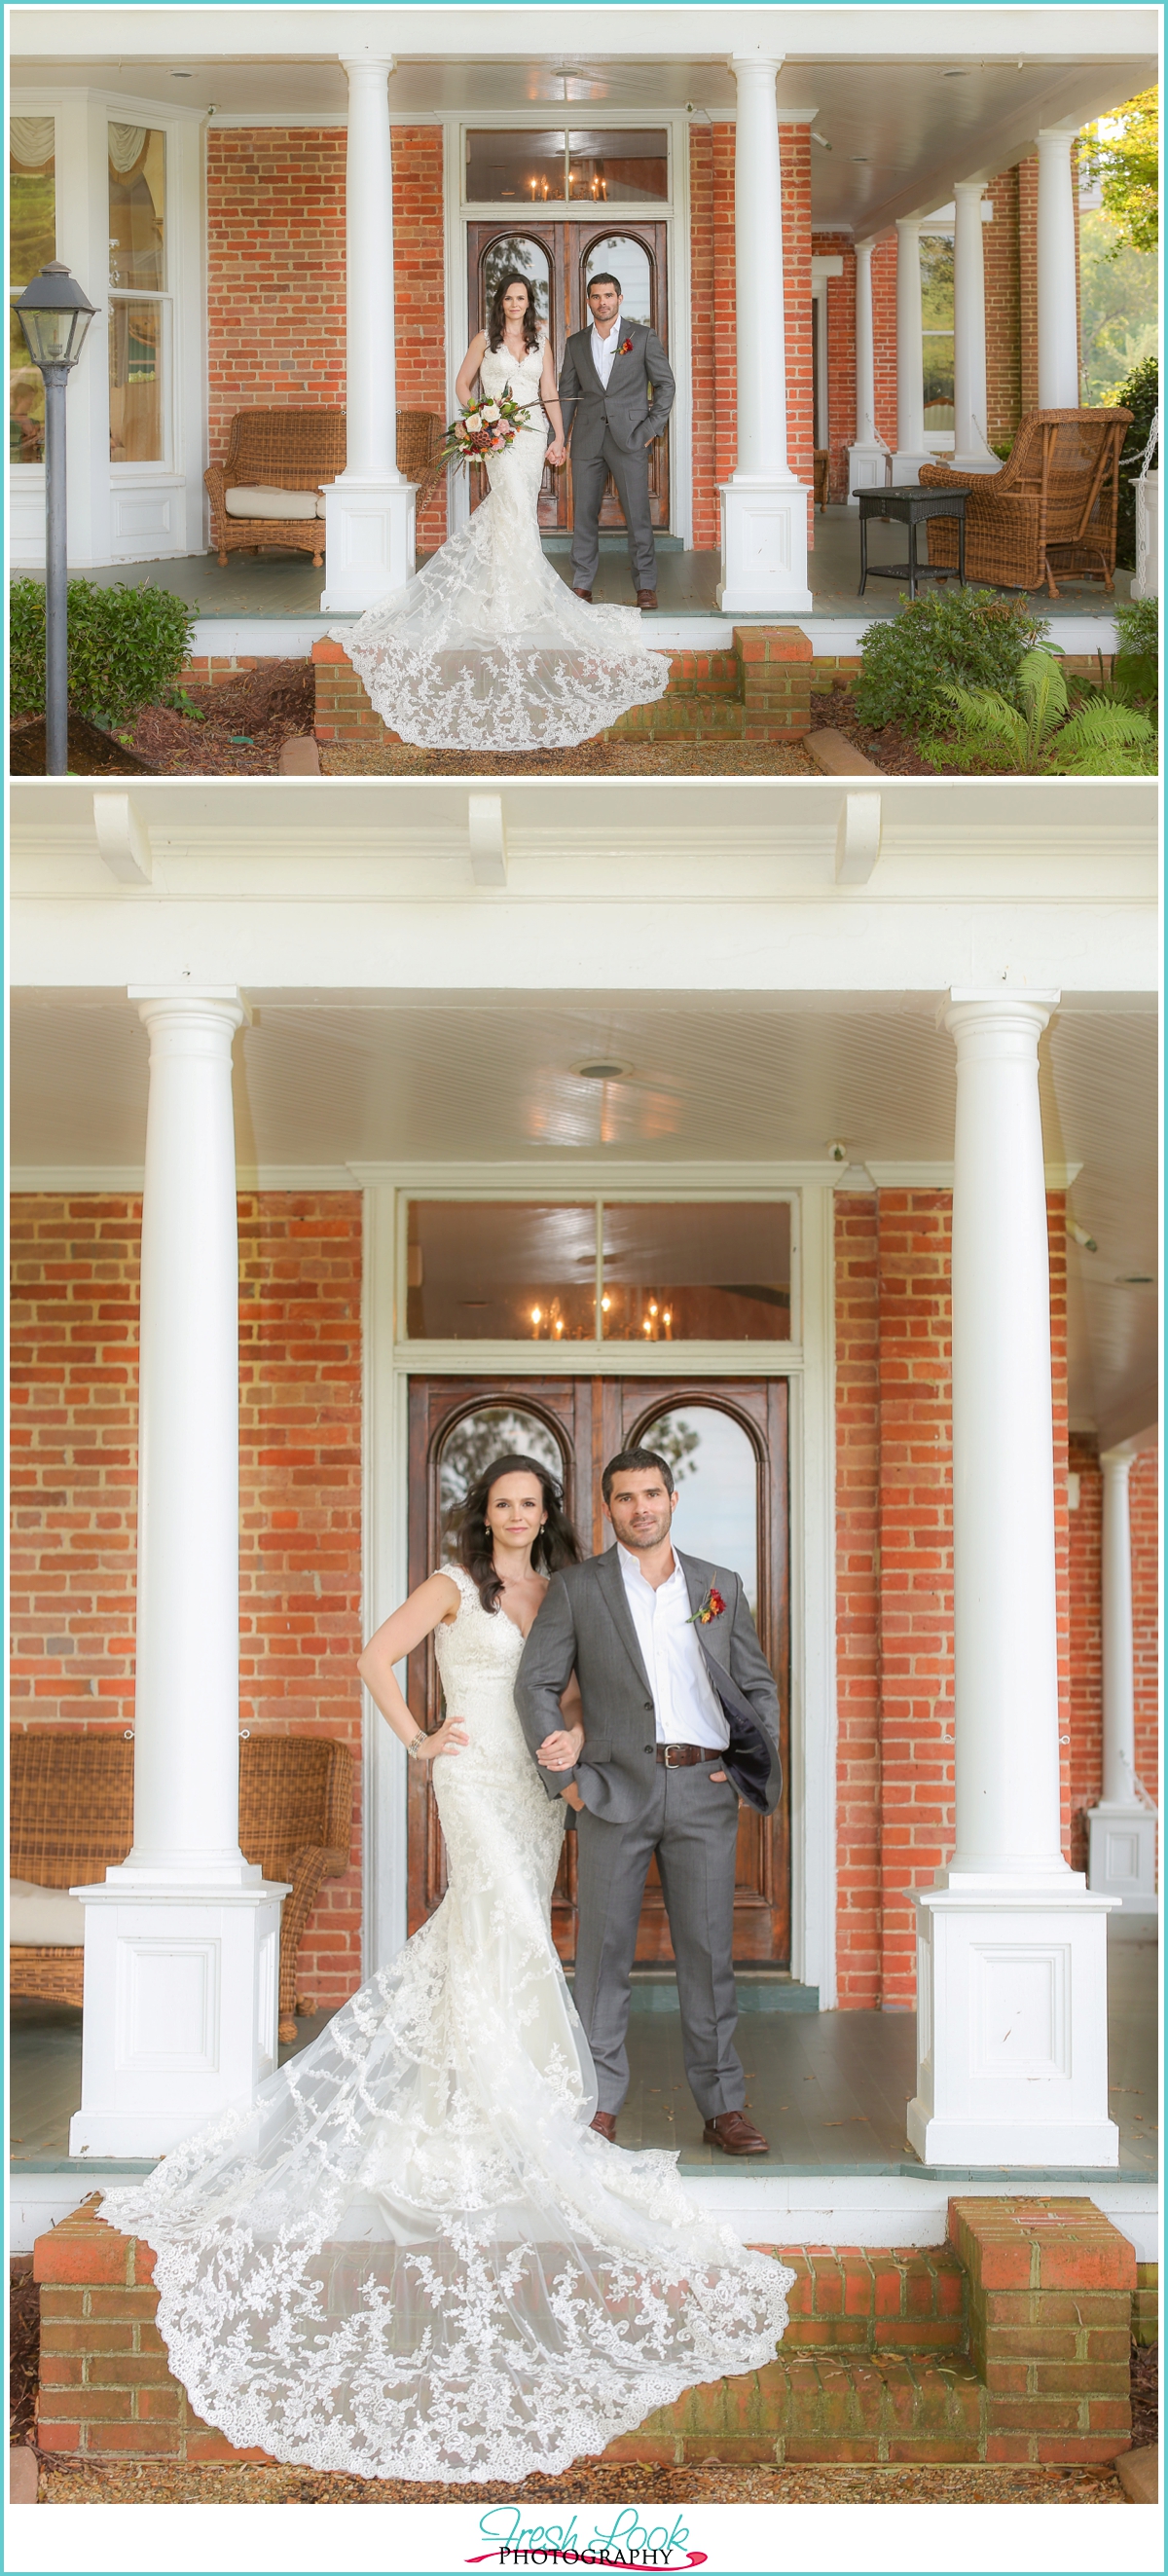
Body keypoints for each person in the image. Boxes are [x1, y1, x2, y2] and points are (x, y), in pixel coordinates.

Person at [100, 1454, 791, 2483]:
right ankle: (583, 2099)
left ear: (651, 1505)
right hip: (516, 1780)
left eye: (533, 1502)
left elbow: (657, 1684)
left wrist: (714, 1755)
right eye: (506, 1501)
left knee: (690, 1960)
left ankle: (700, 2100)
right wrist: (436, 1741)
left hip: (630, 1790)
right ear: (585, 1509)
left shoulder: (666, 1582)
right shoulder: (509, 1586)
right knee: (551, 1942)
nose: (636, 1510)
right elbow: (494, 1676)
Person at [515, 1448, 783, 2157]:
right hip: (612, 1791)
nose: (641, 1508)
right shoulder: (579, 1589)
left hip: (703, 1789)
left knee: (708, 1953)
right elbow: (535, 1685)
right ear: (609, 1508)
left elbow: (757, 1686)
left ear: (671, 1499)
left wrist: (746, 1760)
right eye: (626, 1497)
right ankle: (598, 2103)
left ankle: (723, 2105)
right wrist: (562, 1777)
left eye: (652, 1494)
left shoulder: (718, 1586)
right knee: (602, 1956)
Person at [337, 272, 669, 753]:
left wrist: (558, 436)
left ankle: (527, 588)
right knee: (511, 507)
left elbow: (552, 392)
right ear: (501, 303)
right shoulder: (484, 340)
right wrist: (480, 419)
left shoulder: (546, 341)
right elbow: (461, 383)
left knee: (522, 512)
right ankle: (517, 592)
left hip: (533, 435)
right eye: (509, 298)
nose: (516, 304)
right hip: (499, 438)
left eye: (522, 298)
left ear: (529, 303)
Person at [558, 272, 675, 611]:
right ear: (589, 301)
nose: (602, 302)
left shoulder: (642, 336)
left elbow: (665, 386)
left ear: (620, 299)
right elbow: (568, 395)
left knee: (638, 514)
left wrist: (651, 429)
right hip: (587, 440)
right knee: (584, 514)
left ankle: (646, 585)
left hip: (631, 438)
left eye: (609, 295)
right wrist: (560, 438)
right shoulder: (576, 343)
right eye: (596, 296)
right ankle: (582, 583)